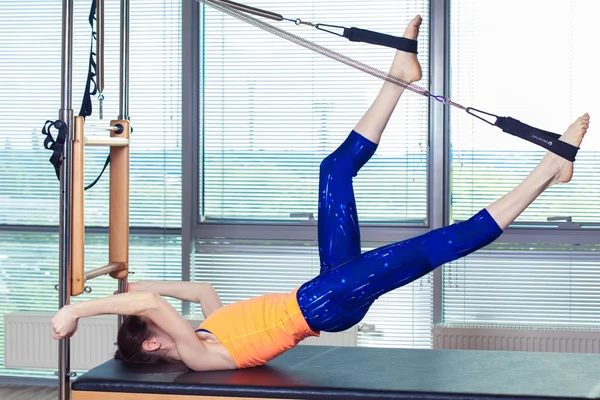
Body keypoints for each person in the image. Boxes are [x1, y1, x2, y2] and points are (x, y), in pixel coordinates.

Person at [51, 15, 591, 372]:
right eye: (152, 321)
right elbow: (147, 305)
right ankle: (549, 169)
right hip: (324, 306)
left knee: (333, 172)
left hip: (319, 291)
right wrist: (78, 312)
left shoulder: (207, 329)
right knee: (438, 245)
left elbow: (198, 287)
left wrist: (132, 277)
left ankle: (398, 76)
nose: (162, 311)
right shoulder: (196, 356)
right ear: (152, 343)